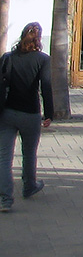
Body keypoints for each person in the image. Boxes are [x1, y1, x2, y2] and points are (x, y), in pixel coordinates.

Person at [0, 22, 53, 212]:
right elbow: (46, 86)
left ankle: (5, 199)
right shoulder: (43, 59)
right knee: (29, 153)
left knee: (4, 157)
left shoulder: (8, 58)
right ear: (39, 40)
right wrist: (49, 114)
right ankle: (29, 186)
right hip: (31, 113)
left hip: (7, 112)